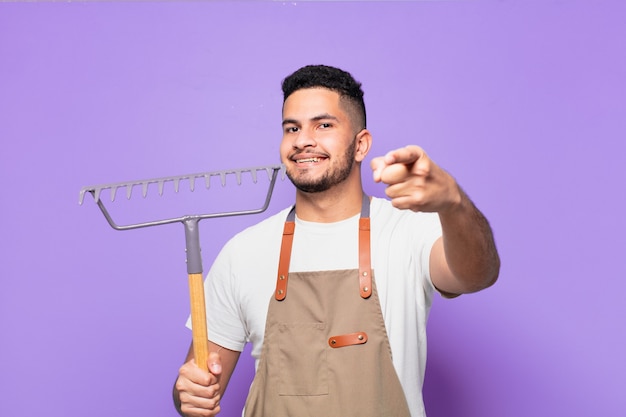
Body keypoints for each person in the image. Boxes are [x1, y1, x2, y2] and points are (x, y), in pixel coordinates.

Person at [173, 64, 500, 417]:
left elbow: (477, 275)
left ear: (361, 145)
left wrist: (455, 204)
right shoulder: (243, 252)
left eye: (323, 125)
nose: (302, 140)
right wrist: (189, 395)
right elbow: (198, 385)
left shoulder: (408, 231)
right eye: (291, 128)